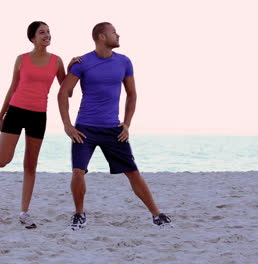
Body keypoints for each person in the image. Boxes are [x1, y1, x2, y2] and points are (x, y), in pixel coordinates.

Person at [57, 22, 172, 230]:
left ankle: (157, 214)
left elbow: (132, 94)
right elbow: (63, 92)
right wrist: (67, 125)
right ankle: (79, 214)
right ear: (101, 37)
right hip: (85, 129)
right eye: (113, 33)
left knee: (133, 172)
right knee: (77, 171)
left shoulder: (124, 62)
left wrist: (127, 124)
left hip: (113, 130)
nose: (118, 36)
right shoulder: (82, 62)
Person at [0, 21, 77, 229]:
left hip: (38, 116)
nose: (47, 35)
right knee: (1, 161)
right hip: (15, 111)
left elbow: (67, 91)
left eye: (48, 32)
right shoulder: (21, 59)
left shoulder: (56, 61)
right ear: (33, 37)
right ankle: (5, 151)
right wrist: (1, 114)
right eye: (42, 32)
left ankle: (24, 212)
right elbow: (13, 87)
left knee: (30, 165)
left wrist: (70, 69)